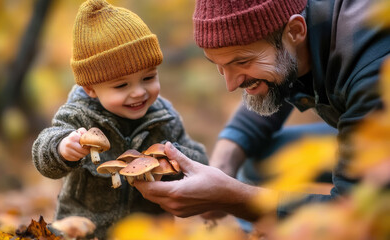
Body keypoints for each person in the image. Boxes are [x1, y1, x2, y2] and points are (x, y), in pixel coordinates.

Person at [134, 0, 390, 223]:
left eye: (242, 62)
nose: (231, 84)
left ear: (296, 31)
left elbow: (357, 216)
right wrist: (223, 169)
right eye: (219, 66)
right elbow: (267, 92)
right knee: (254, 161)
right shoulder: (295, 26)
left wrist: (232, 198)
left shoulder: (372, 67)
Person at [31, 0, 207, 238]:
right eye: (122, 85)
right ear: (91, 89)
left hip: (147, 232)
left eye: (148, 78)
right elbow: (44, 154)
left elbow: (199, 160)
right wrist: (61, 146)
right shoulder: (78, 116)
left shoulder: (164, 118)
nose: (138, 92)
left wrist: (174, 157)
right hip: (85, 231)